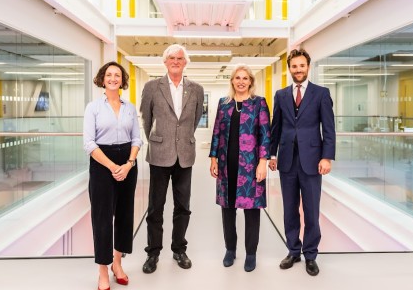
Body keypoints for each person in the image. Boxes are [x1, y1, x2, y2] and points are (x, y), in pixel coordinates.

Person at [268, 49, 336, 276]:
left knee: (311, 209)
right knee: (289, 209)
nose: (298, 70)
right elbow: (275, 127)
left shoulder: (321, 94)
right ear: (290, 69)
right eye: (294, 66)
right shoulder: (281, 95)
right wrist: (272, 154)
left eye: (302, 66)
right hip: (287, 160)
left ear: (308, 67)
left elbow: (328, 129)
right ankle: (293, 251)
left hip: (312, 160)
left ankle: (311, 254)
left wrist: (327, 157)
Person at [140, 44, 204, 273]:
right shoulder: (151, 87)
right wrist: (157, 140)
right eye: (171, 58)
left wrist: (181, 139)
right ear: (165, 62)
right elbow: (146, 119)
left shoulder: (196, 89)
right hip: (159, 155)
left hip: (184, 156)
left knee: (183, 206)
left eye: (179, 58)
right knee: (155, 207)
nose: (176, 61)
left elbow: (195, 120)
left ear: (185, 62)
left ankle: (179, 249)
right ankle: (153, 253)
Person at [83, 61, 142, 290]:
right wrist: (112, 167)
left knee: (125, 216)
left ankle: (117, 263)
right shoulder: (93, 108)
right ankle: (102, 271)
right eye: (109, 74)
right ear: (102, 78)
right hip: (101, 163)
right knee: (102, 218)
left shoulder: (129, 107)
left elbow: (137, 139)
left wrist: (128, 164)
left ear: (122, 80)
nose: (113, 78)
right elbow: (89, 143)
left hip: (128, 162)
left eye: (117, 75)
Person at [209, 64, 270, 272]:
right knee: (228, 208)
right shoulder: (223, 104)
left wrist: (263, 161)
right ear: (232, 81)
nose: (241, 81)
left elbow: (265, 134)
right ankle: (230, 249)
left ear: (250, 82)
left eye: (245, 78)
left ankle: (251, 253)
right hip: (227, 164)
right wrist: (213, 158)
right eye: (237, 78)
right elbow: (217, 132)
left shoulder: (259, 103)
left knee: (252, 210)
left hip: (251, 166)